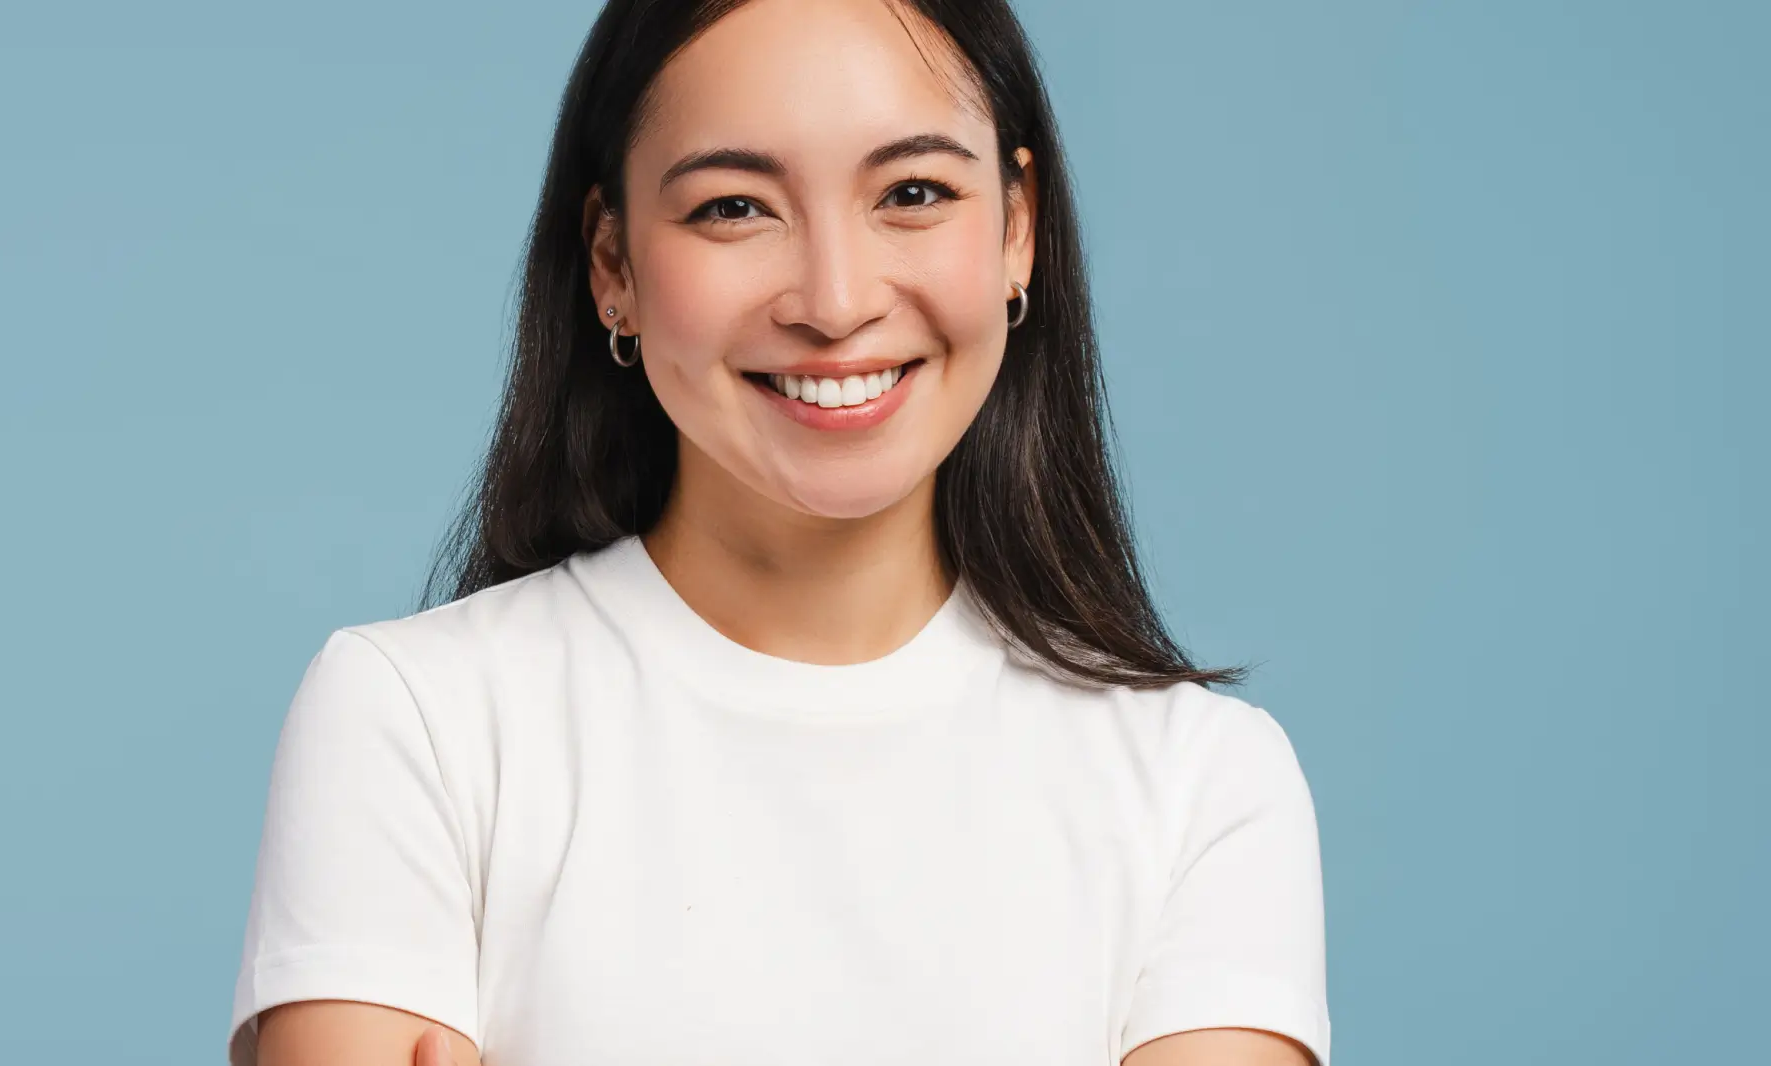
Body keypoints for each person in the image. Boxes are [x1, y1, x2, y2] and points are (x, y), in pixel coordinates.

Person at [226, 0, 1329, 1064]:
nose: (835, 302)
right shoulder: (414, 723)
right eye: (734, 208)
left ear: (1016, 227)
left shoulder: (1202, 785)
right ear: (613, 264)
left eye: (912, 192)